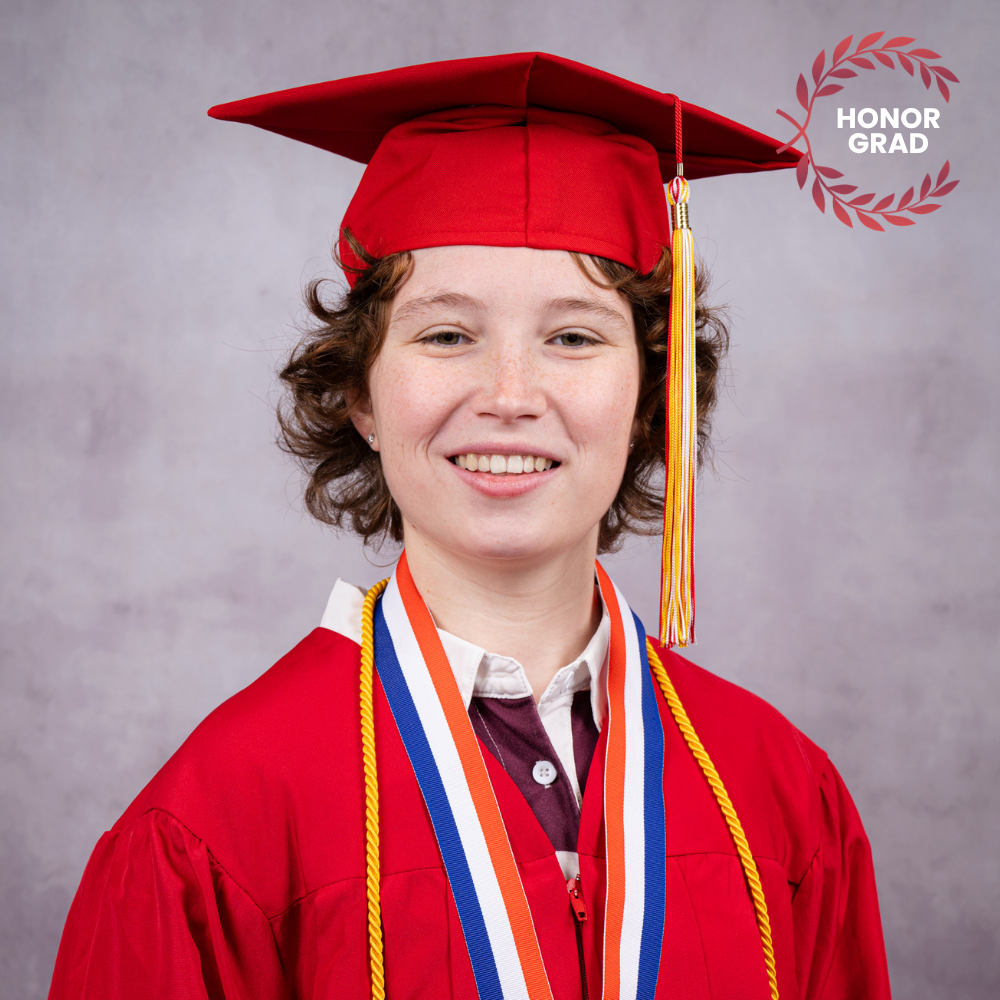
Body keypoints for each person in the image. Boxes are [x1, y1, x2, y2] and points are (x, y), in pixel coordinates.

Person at [48, 53, 892, 1000]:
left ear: (655, 396)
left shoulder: (778, 795)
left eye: (573, 337)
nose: (509, 397)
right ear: (360, 392)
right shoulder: (218, 824)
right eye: (446, 335)